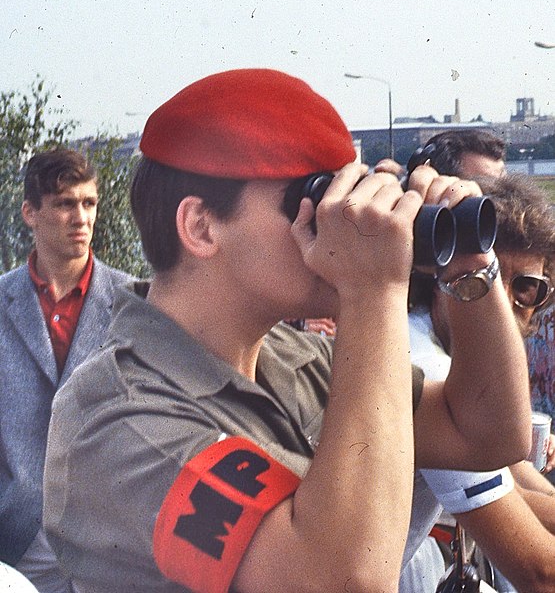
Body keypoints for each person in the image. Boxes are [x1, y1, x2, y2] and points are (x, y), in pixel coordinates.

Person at [43, 69, 530, 593]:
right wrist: (373, 290)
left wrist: (471, 264)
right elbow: (343, 583)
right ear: (201, 227)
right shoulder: (120, 420)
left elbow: (488, 432)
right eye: (311, 200)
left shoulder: (290, 359)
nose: (341, 217)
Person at [397, 137, 555, 592]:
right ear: (441, 276)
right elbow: (538, 571)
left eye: (526, 288)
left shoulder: (438, 345)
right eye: (483, 276)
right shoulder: (427, 364)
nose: (501, 305)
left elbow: (517, 477)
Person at [0, 149, 133, 593]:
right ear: (29, 213)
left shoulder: (136, 303)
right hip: (18, 540)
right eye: (64, 203)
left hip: (115, 541)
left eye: (89, 203)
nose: (81, 217)